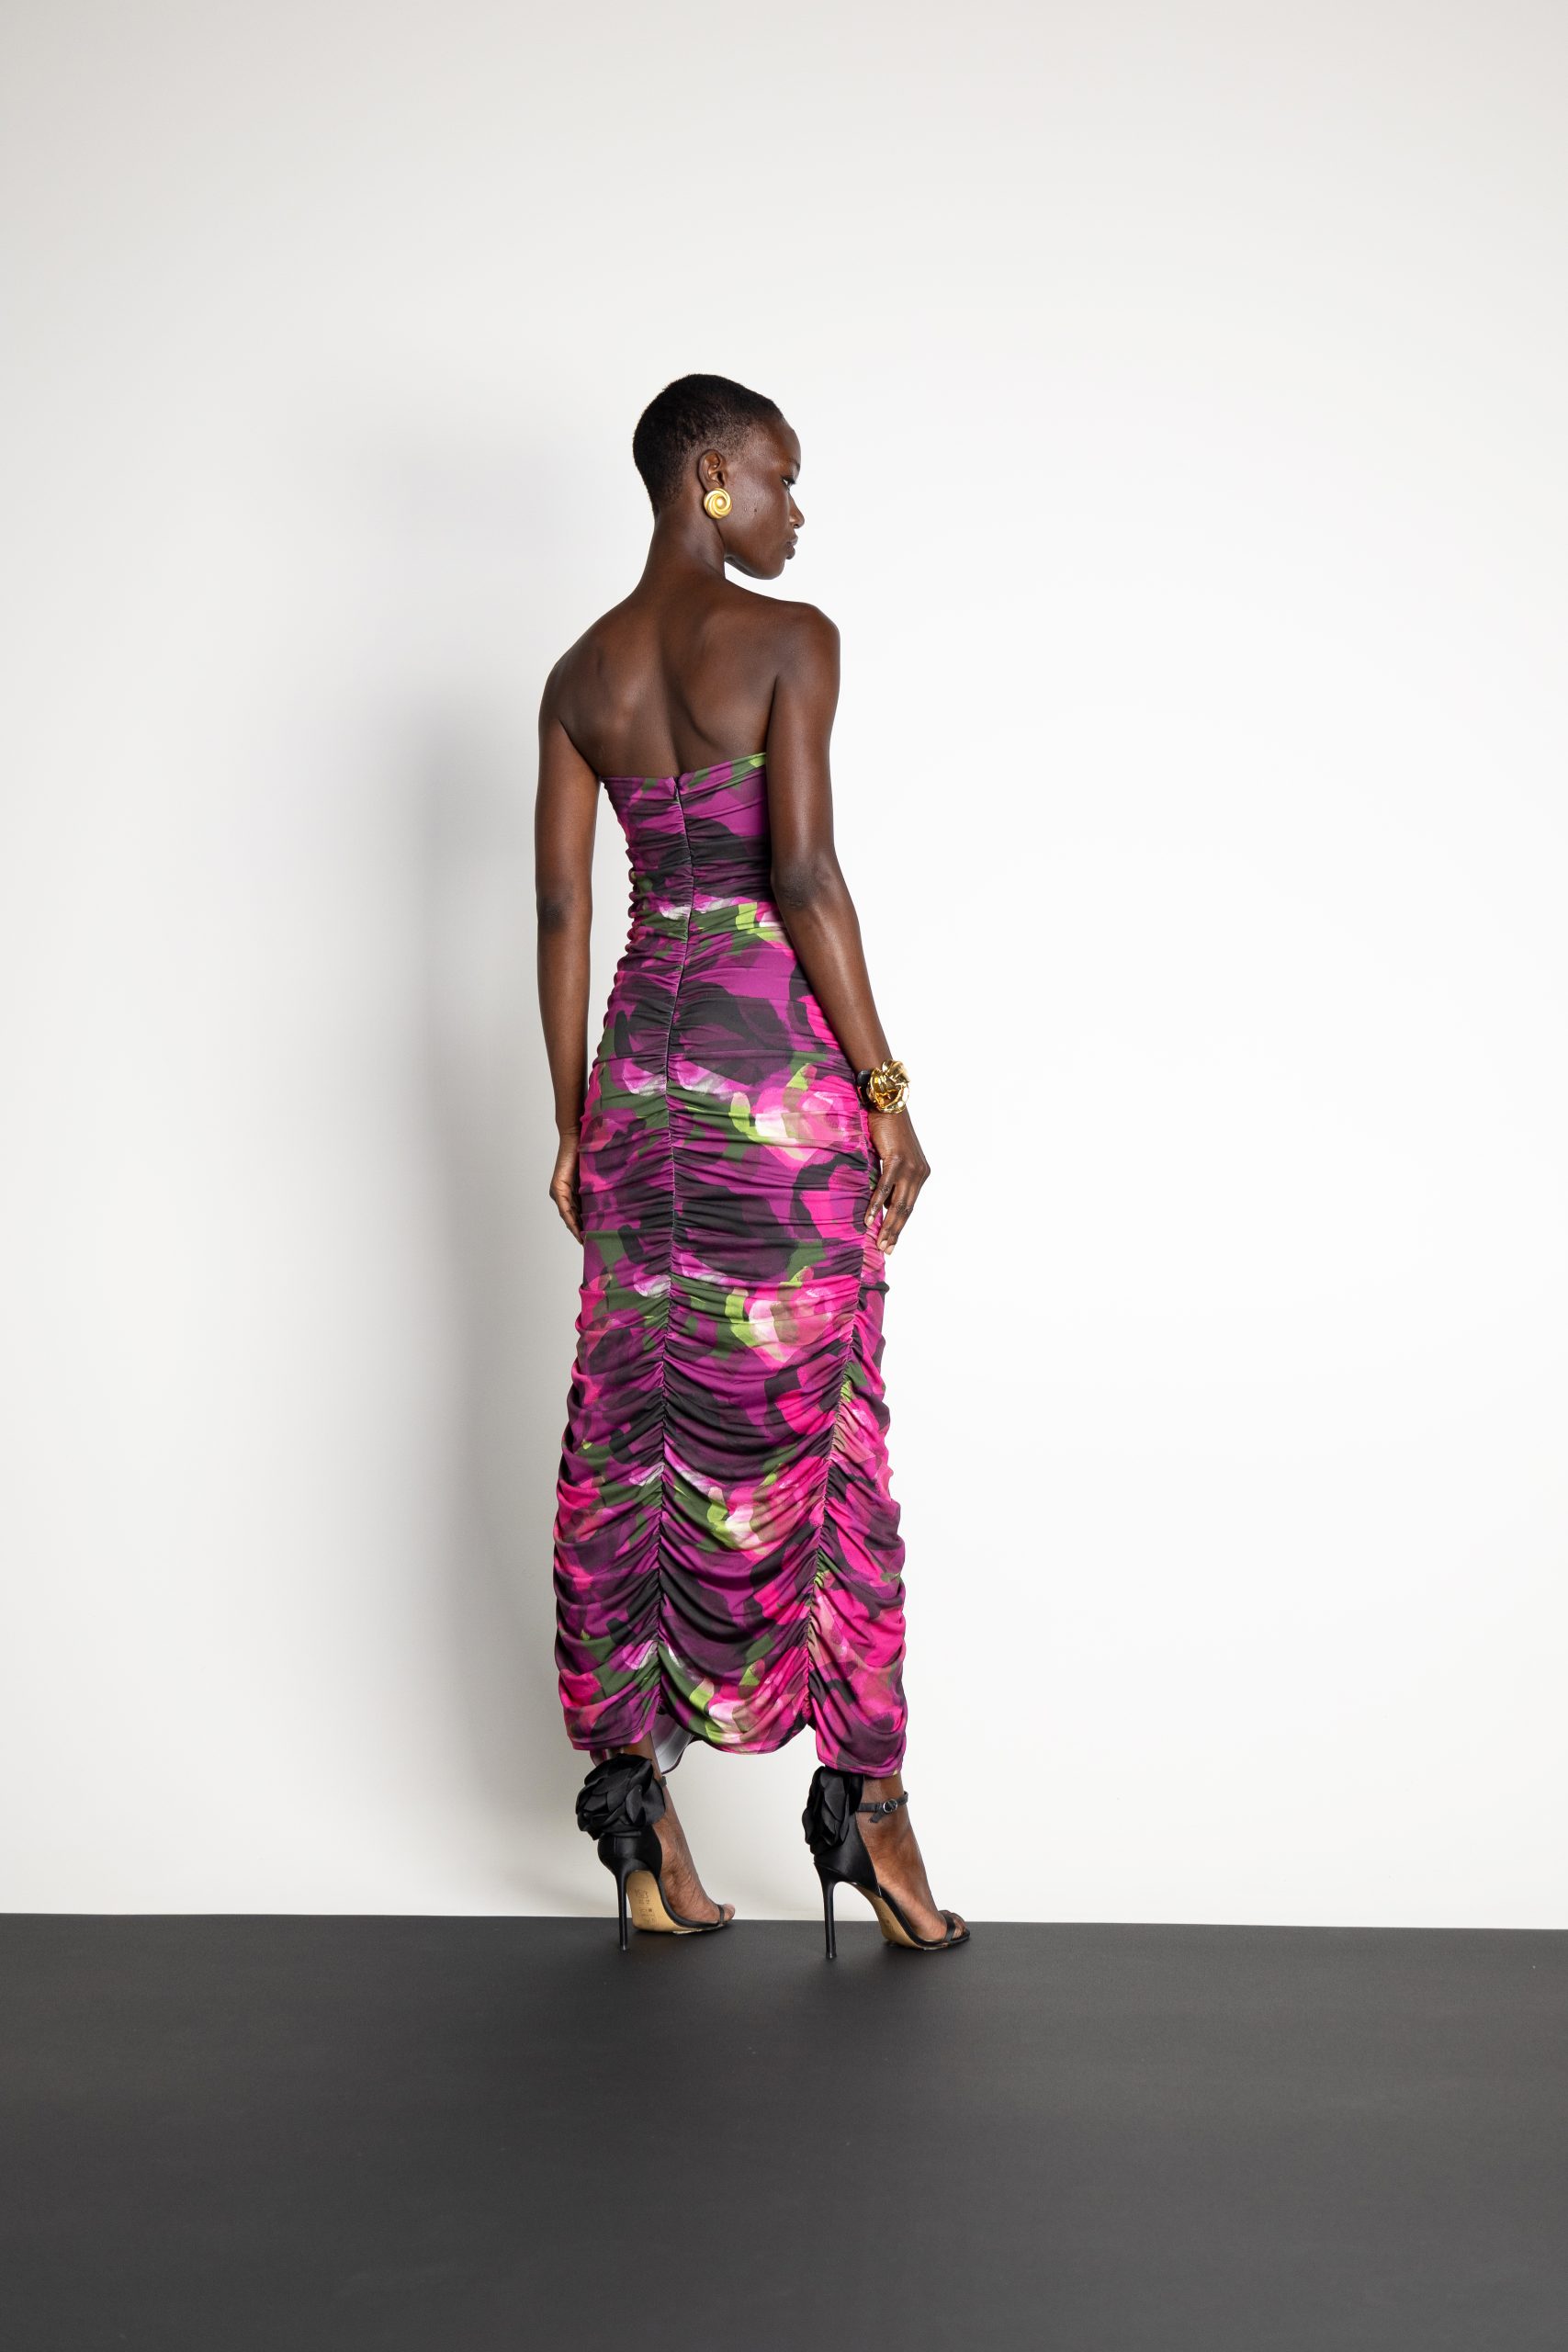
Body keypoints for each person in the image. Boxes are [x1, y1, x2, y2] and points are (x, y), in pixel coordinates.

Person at [536, 374, 966, 1958]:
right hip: (771, 1083)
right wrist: (886, 1089)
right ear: (711, 476)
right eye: (782, 477)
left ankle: (637, 1824)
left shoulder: (580, 673)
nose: (797, 509)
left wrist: (573, 1119)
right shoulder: (791, 641)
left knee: (633, 1445)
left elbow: (563, 913)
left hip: (640, 1090)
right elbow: (802, 873)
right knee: (828, 1437)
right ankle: (869, 1813)